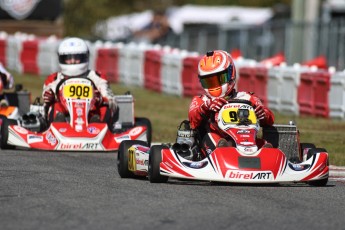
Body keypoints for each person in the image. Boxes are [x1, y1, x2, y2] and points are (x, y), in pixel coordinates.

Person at [188, 50, 274, 156]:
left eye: (219, 79)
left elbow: (270, 119)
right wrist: (206, 107)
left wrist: (264, 114)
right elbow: (192, 119)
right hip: (216, 142)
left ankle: (266, 155)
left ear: (230, 73)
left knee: (267, 146)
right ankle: (223, 152)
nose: (215, 85)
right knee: (213, 138)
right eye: (209, 81)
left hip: (248, 140)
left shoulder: (248, 97)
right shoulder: (202, 100)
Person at [42, 37, 117, 127]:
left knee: (105, 108)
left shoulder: (97, 77)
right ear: (61, 58)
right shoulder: (54, 79)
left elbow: (111, 101)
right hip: (65, 115)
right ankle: (58, 126)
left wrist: (100, 99)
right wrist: (49, 97)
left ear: (84, 57)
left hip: (91, 115)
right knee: (54, 106)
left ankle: (97, 127)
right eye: (68, 58)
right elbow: (45, 99)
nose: (73, 61)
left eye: (76, 58)